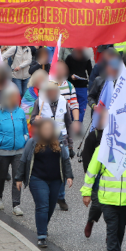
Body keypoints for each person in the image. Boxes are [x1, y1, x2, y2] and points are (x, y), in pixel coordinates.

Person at [15, 118, 74, 248]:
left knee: (51, 206)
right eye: (45, 129)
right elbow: (23, 160)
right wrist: (18, 178)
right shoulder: (32, 142)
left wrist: (69, 176)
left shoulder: (59, 142)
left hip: (56, 180)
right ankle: (41, 235)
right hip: (37, 179)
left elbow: (65, 160)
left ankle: (42, 225)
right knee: (42, 204)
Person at [81, 136, 126, 251]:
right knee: (112, 233)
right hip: (107, 200)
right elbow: (91, 172)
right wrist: (86, 192)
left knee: (120, 232)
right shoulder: (103, 149)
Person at [30, 79, 73, 211]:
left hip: (61, 139)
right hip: (45, 139)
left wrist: (70, 143)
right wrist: (35, 120)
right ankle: (46, 191)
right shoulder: (39, 102)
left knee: (62, 167)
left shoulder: (63, 102)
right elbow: (32, 120)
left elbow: (68, 123)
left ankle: (61, 196)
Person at [0, 82, 28, 216]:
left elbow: (25, 130)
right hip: (2, 152)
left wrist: (25, 139)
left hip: (19, 151)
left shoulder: (21, 112)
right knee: (1, 176)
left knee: (18, 178)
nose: (16, 99)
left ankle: (16, 204)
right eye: (13, 97)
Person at [81, 108, 106, 238]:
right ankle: (91, 221)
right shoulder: (94, 136)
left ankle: (111, 233)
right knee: (97, 205)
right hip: (97, 177)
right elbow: (86, 156)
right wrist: (87, 172)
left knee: (111, 209)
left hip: (113, 177)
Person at [65, 48, 93, 122]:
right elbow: (64, 72)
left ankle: (78, 125)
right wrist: (71, 76)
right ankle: (71, 124)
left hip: (82, 86)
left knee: (81, 108)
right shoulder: (69, 58)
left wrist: (91, 86)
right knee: (70, 106)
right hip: (70, 86)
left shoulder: (86, 58)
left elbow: (91, 73)